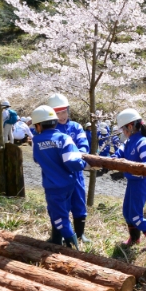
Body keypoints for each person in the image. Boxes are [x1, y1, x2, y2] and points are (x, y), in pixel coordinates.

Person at [31, 105, 90, 250]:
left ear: (38, 125)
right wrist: (84, 164)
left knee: (59, 216)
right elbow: (73, 161)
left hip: (52, 186)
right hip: (69, 182)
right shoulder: (64, 138)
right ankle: (60, 241)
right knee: (64, 211)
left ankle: (72, 247)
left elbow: (37, 160)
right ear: (55, 121)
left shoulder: (36, 141)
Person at [112, 108, 146, 251]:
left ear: (130, 126)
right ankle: (134, 238)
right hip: (131, 182)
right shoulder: (128, 142)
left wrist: (133, 167)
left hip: (140, 183)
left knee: (135, 214)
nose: (122, 132)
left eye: (123, 128)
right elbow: (117, 155)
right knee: (127, 212)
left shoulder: (142, 142)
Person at [47, 93, 91, 243]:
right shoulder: (49, 130)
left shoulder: (76, 127)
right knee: (59, 205)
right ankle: (58, 236)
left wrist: (78, 156)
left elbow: (83, 145)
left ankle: (79, 234)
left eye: (64, 111)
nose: (62, 116)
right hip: (57, 174)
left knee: (79, 202)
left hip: (75, 172)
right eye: (57, 113)